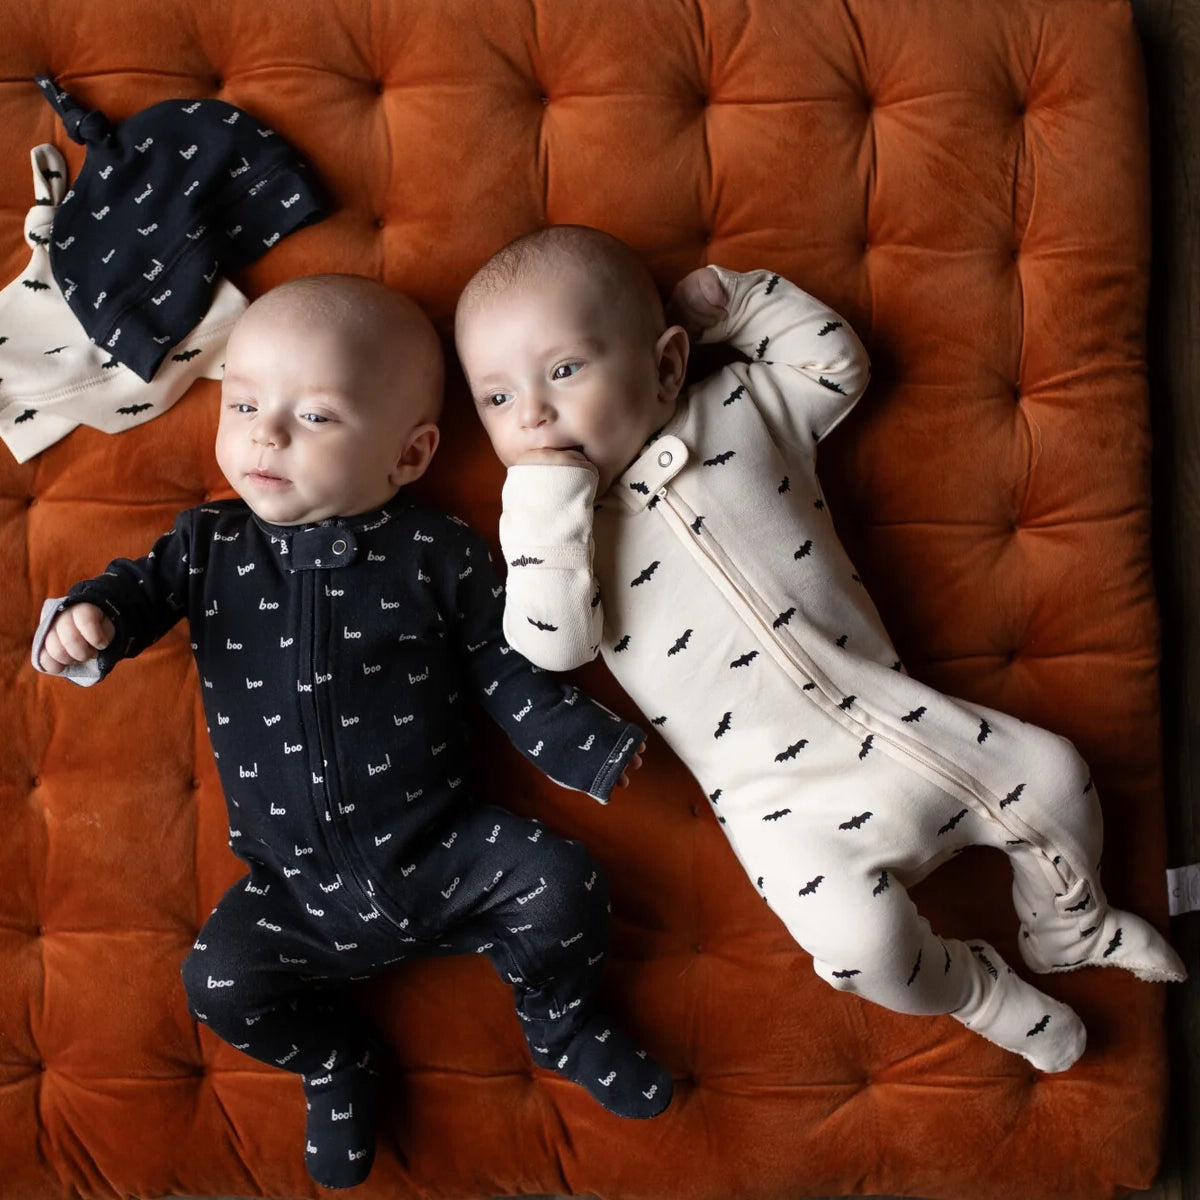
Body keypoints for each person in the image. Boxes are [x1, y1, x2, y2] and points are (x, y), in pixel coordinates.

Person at [453, 224, 1186, 1078]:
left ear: (665, 366)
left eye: (564, 370)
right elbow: (552, 646)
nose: (532, 414)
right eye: (495, 398)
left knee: (1055, 778)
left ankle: (1068, 926)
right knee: (859, 946)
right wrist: (545, 512)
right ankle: (981, 994)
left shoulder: (738, 410)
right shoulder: (547, 537)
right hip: (779, 804)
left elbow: (834, 364)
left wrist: (733, 302)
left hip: (904, 720)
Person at [31, 273, 672, 1191]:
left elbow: (502, 663)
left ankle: (561, 1023)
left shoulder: (436, 549)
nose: (265, 435)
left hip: (446, 848)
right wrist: (90, 617)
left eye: (315, 416)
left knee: (566, 884)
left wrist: (578, 739)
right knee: (218, 982)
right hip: (294, 891)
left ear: (409, 455)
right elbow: (134, 590)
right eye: (244, 404)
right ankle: (337, 1060)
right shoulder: (207, 547)